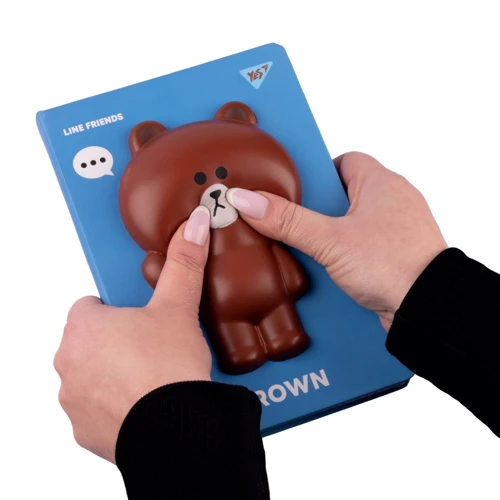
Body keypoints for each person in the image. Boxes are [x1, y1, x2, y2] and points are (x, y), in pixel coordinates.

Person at [54, 152, 500, 499]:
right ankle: (243, 347)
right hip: (228, 320)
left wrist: (167, 427)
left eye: (221, 174)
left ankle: (280, 335)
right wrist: (434, 292)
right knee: (239, 342)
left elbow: (289, 272)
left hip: (274, 310)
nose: (215, 189)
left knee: (281, 327)